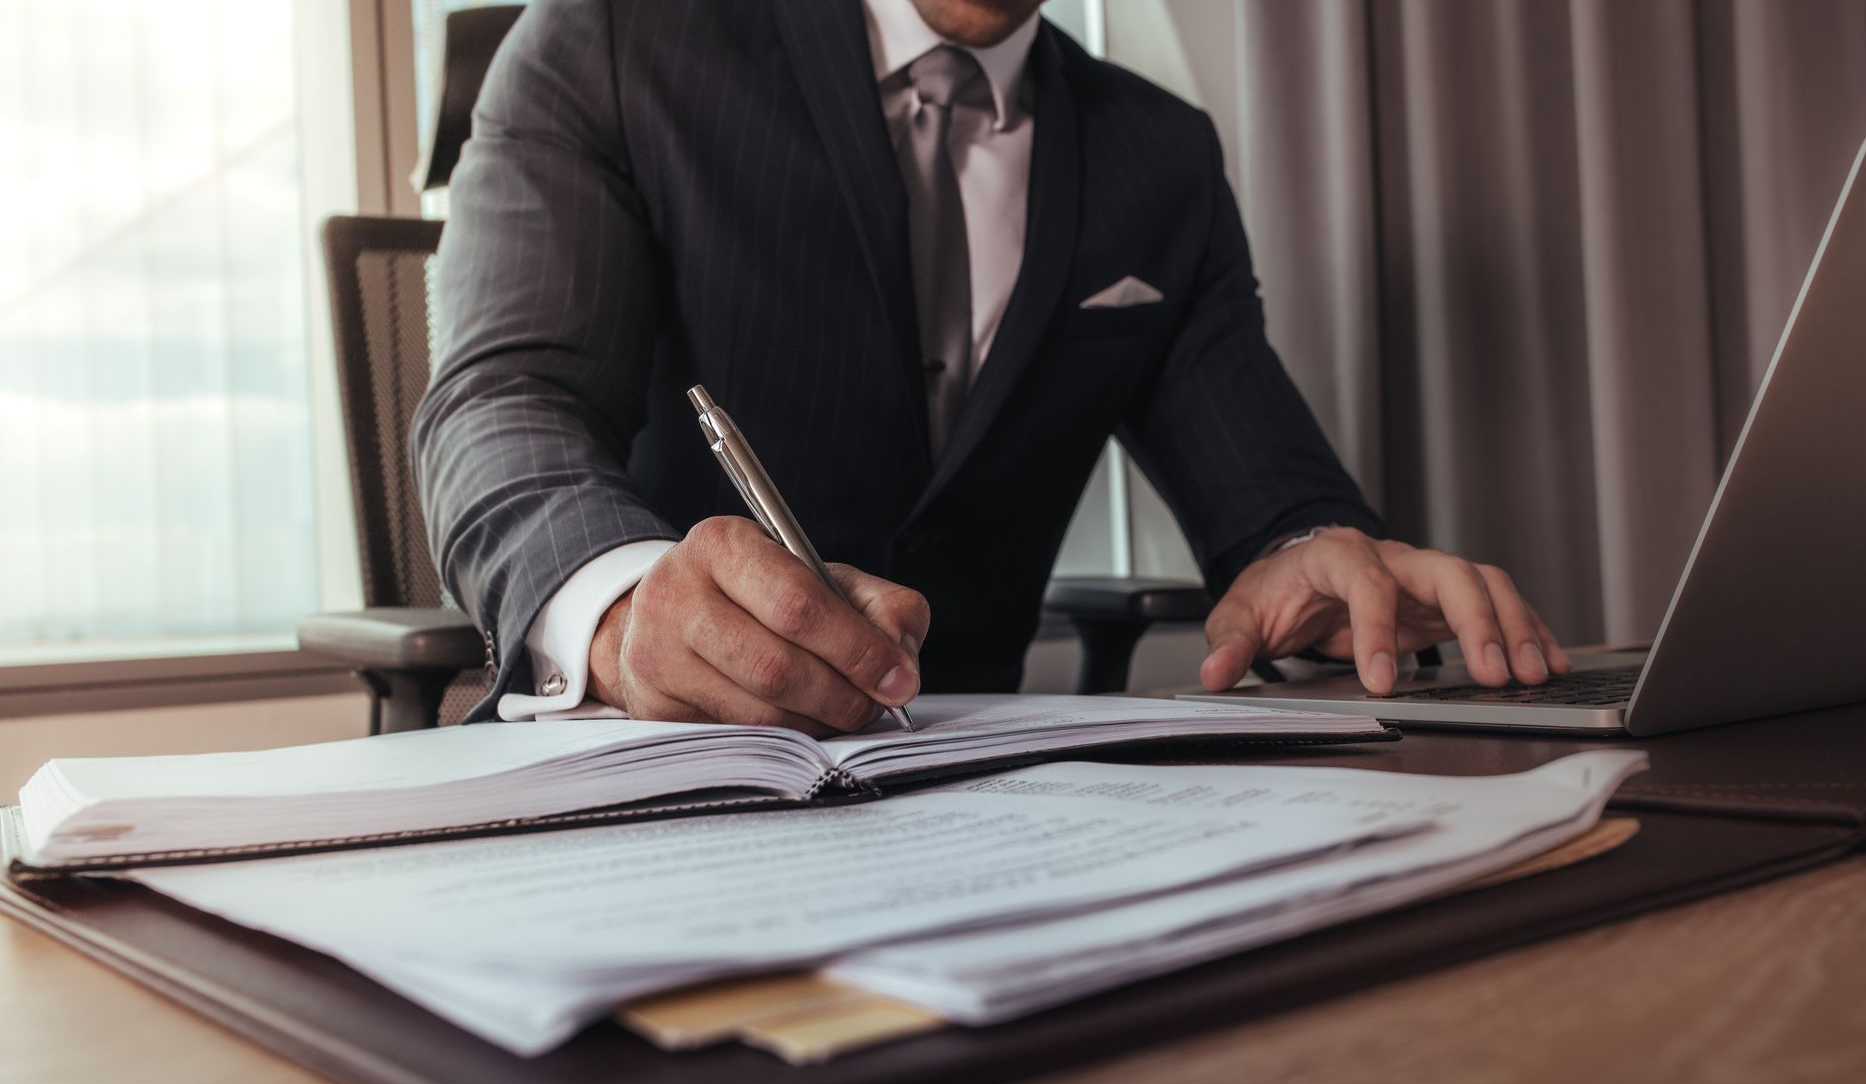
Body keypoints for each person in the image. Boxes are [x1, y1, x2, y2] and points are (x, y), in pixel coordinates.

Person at [416, 0, 1572, 733]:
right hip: (661, 763)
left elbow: (1270, 500)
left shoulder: (1159, 155)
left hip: (977, 781)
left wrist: (1313, 559)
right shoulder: (610, 39)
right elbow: (501, 403)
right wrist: (622, 611)